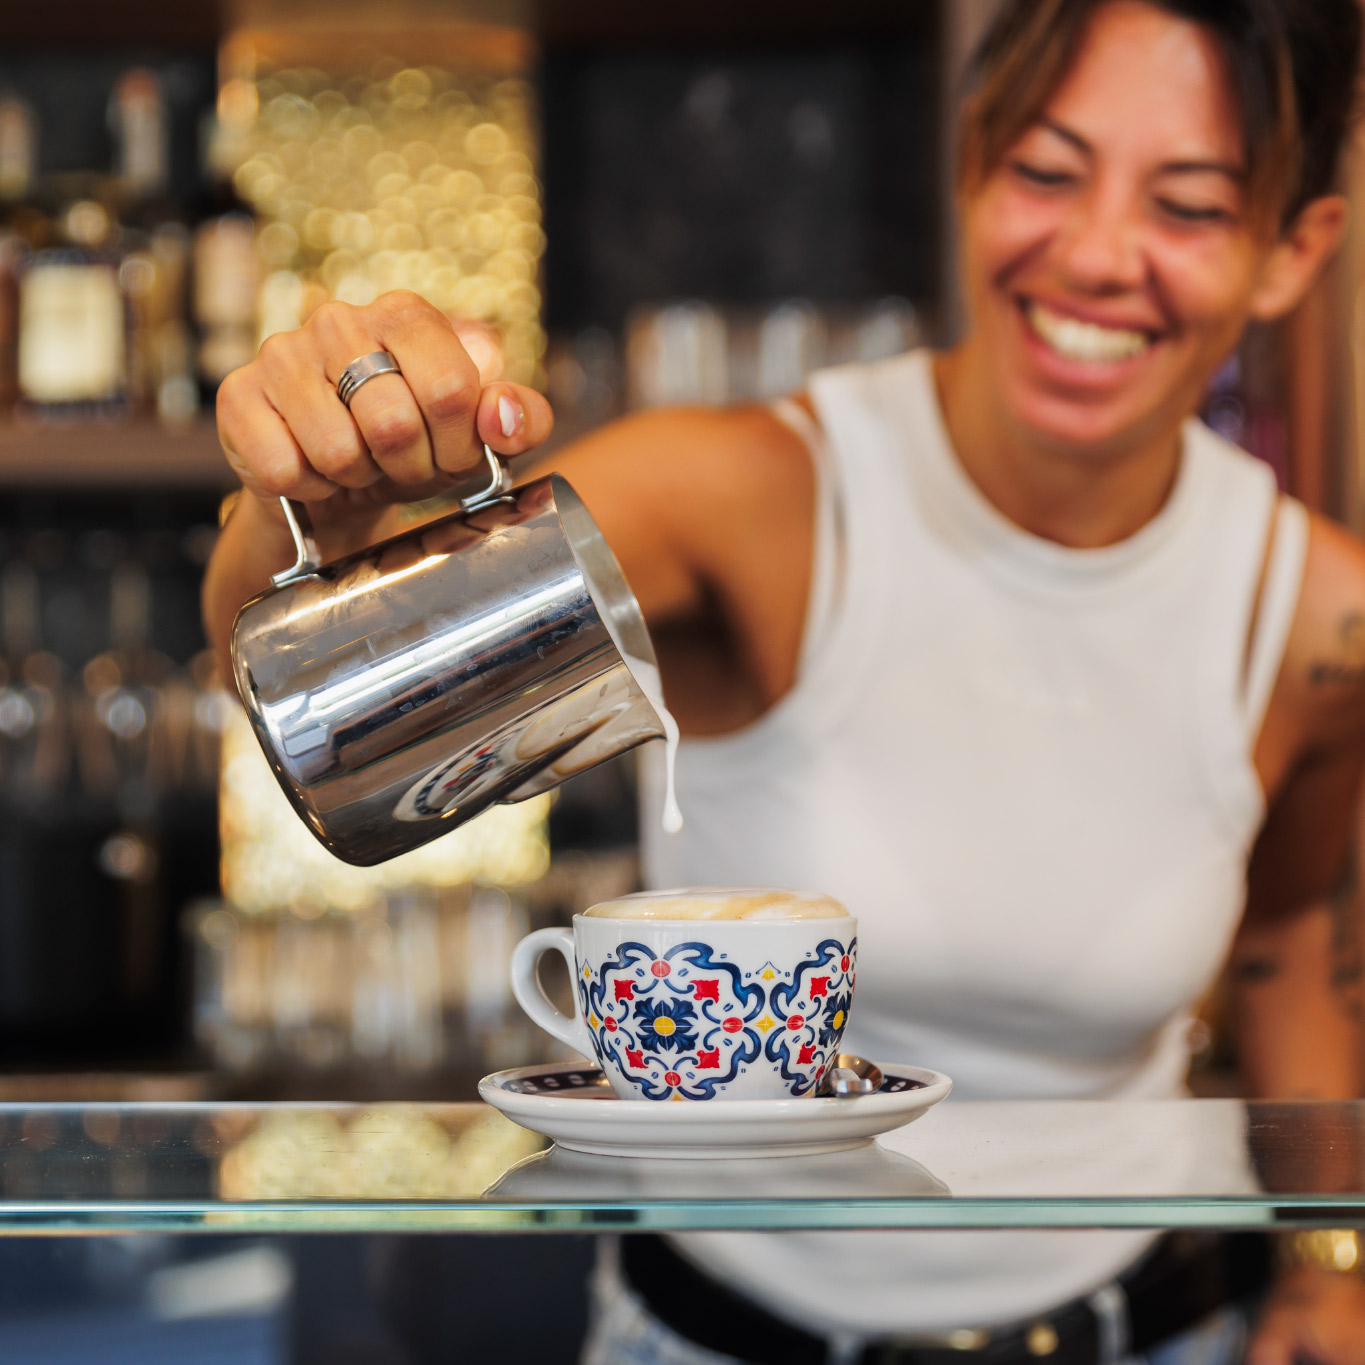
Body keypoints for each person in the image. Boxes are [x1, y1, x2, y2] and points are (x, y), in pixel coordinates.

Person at [204, 0, 1365, 1360]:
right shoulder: (757, 495)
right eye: (1047, 172)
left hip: (1150, 1329)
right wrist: (314, 497)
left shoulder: (1311, 608)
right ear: (972, 168)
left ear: (1292, 252)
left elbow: (1294, 942)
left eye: (1185, 205)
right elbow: (305, 679)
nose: (1098, 253)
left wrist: (1324, 1270)